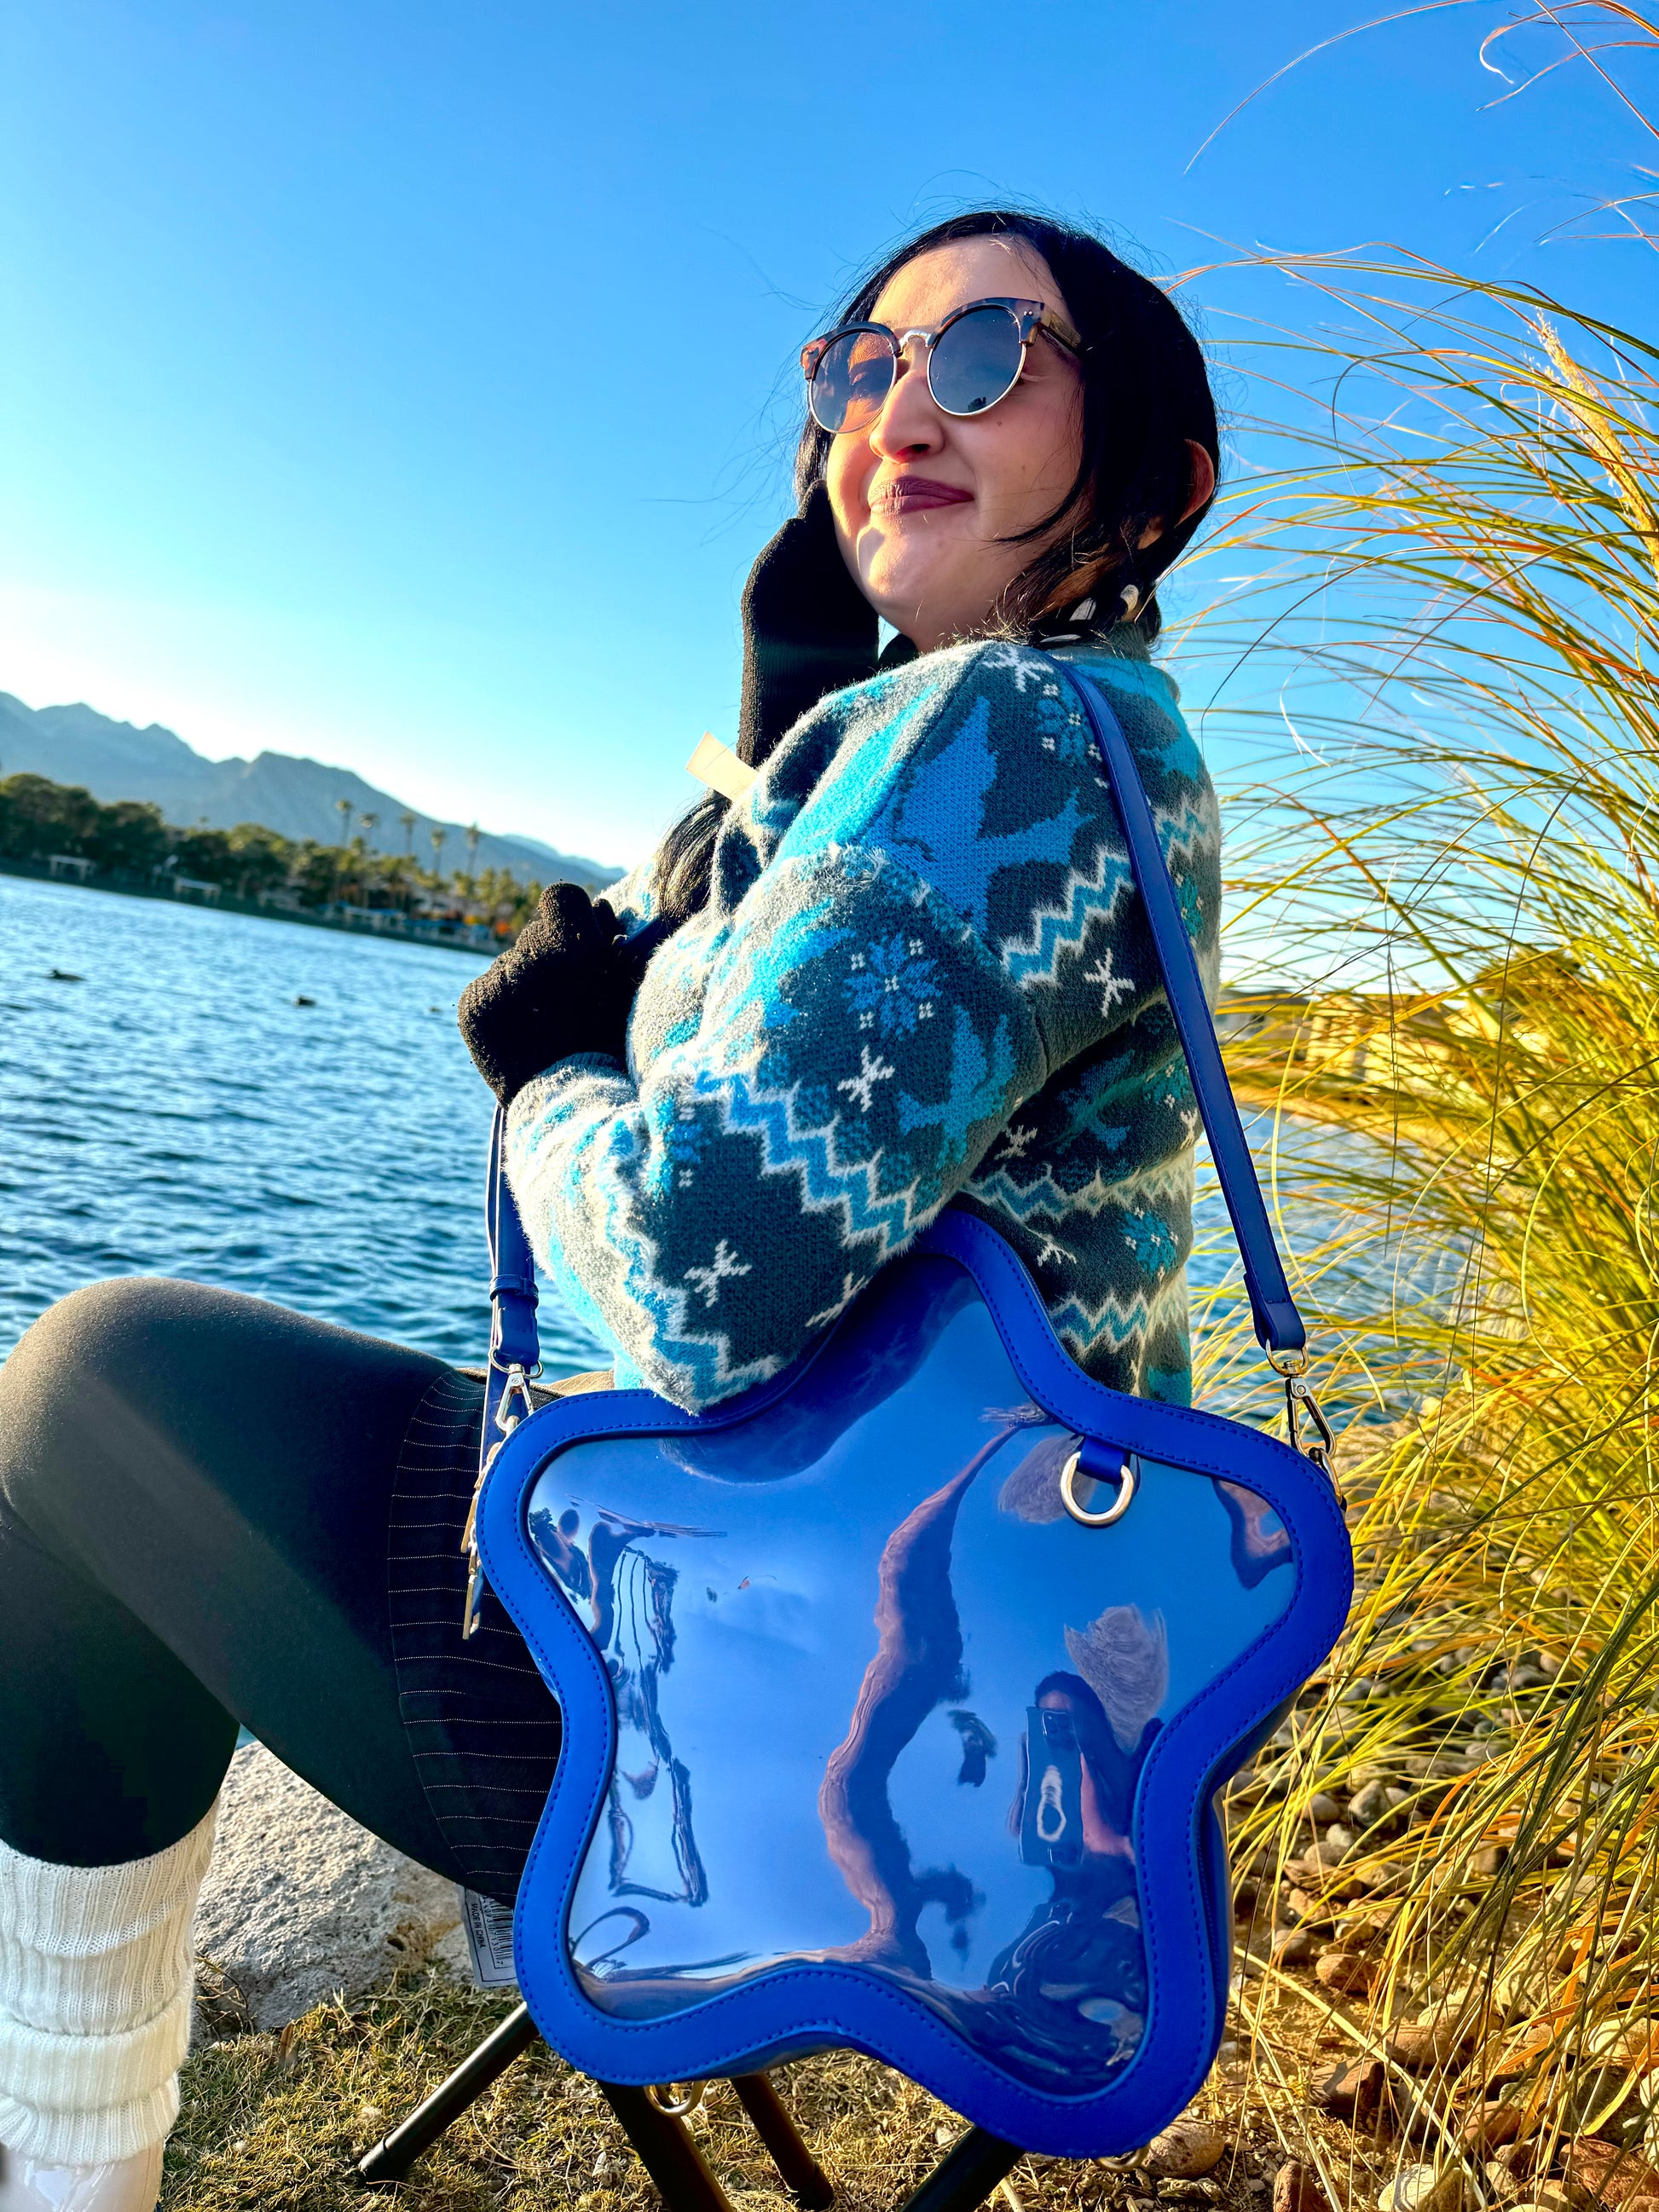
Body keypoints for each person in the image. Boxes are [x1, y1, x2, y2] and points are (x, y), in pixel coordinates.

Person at [0, 207, 1220, 2210]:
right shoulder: (1092, 741)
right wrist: (782, 741)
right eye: (862, 367)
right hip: (991, 1723)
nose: (900, 411)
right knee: (104, 1449)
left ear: (1151, 479)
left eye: (987, 356)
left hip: (791, 1739)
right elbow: (792, 1100)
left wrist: (550, 1066)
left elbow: (695, 1274)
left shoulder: (1002, 731)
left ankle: (65, 2167)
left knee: (88, 1384)